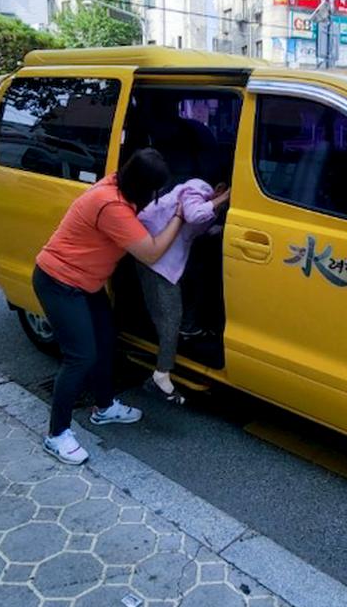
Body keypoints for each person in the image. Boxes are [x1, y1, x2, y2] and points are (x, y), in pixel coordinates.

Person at [33, 149, 184, 465]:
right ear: (143, 186)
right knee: (80, 357)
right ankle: (57, 434)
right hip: (60, 282)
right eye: (155, 190)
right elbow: (152, 252)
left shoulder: (118, 184)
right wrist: (180, 216)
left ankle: (104, 408)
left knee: (104, 343)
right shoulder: (110, 204)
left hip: (86, 284)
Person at [137, 175, 230, 403]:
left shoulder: (205, 201)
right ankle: (161, 374)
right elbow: (194, 215)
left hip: (166, 257)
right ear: (218, 188)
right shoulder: (196, 188)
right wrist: (224, 198)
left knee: (174, 308)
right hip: (154, 258)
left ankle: (181, 337)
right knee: (171, 316)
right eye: (224, 195)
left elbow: (201, 227)